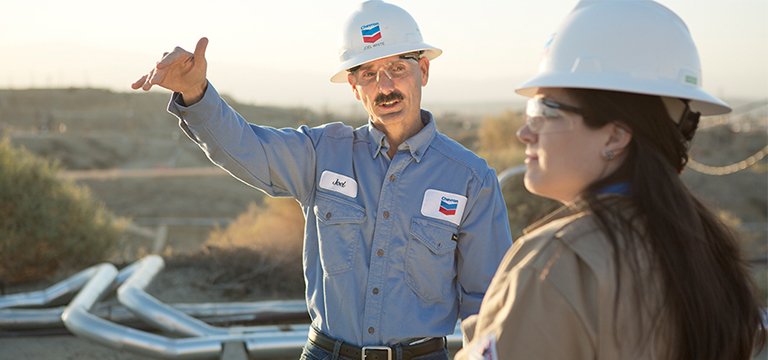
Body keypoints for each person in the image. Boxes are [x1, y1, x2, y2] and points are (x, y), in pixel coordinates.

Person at [131, 1, 513, 359]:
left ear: (423, 71)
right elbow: (247, 150)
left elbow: (488, 300)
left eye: (398, 68)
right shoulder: (320, 154)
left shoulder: (470, 179)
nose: (385, 87)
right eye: (368, 73)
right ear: (353, 85)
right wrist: (195, 92)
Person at [455, 1, 766, 359]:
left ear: (615, 136)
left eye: (544, 111)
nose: (525, 132)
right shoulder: (703, 248)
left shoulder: (554, 264)